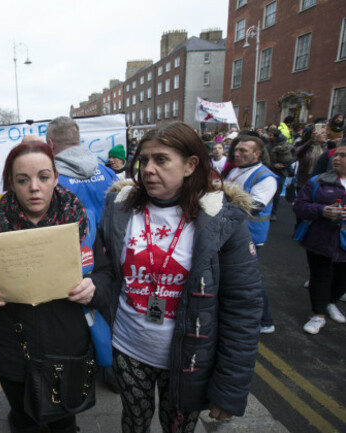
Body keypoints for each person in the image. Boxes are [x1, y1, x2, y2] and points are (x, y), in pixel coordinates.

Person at [86, 121, 262, 433]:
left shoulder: (222, 220)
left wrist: (230, 388)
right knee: (134, 422)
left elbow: (243, 308)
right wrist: (90, 287)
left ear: (190, 165)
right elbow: (107, 273)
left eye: (161, 160)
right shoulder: (119, 207)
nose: (148, 170)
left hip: (189, 360)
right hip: (129, 347)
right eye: (143, 161)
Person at [0, 140, 93, 433]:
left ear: (55, 178)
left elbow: (108, 275)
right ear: (11, 182)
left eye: (43, 177)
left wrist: (94, 287)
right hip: (13, 349)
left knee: (64, 419)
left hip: (67, 346)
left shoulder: (83, 221)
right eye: (23, 180)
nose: (34, 187)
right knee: (23, 418)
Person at [46, 116, 119, 393]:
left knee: (79, 319)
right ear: (79, 140)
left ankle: (82, 370)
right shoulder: (108, 172)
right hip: (110, 260)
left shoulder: (52, 179)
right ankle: (111, 371)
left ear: (51, 143)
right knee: (109, 313)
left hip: (73, 262)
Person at [225, 136, 278, 334]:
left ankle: (266, 321)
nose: (237, 154)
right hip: (232, 232)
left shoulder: (266, 177)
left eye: (243, 151)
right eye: (236, 150)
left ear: (257, 154)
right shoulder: (235, 170)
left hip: (251, 236)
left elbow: (253, 207)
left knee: (248, 280)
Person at [292, 141, 346, 334]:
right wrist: (323, 210)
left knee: (342, 278)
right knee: (320, 277)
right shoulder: (318, 181)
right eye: (336, 155)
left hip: (344, 241)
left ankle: (331, 302)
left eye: (342, 155)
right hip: (320, 238)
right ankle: (318, 314)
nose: (336, 158)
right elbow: (299, 206)